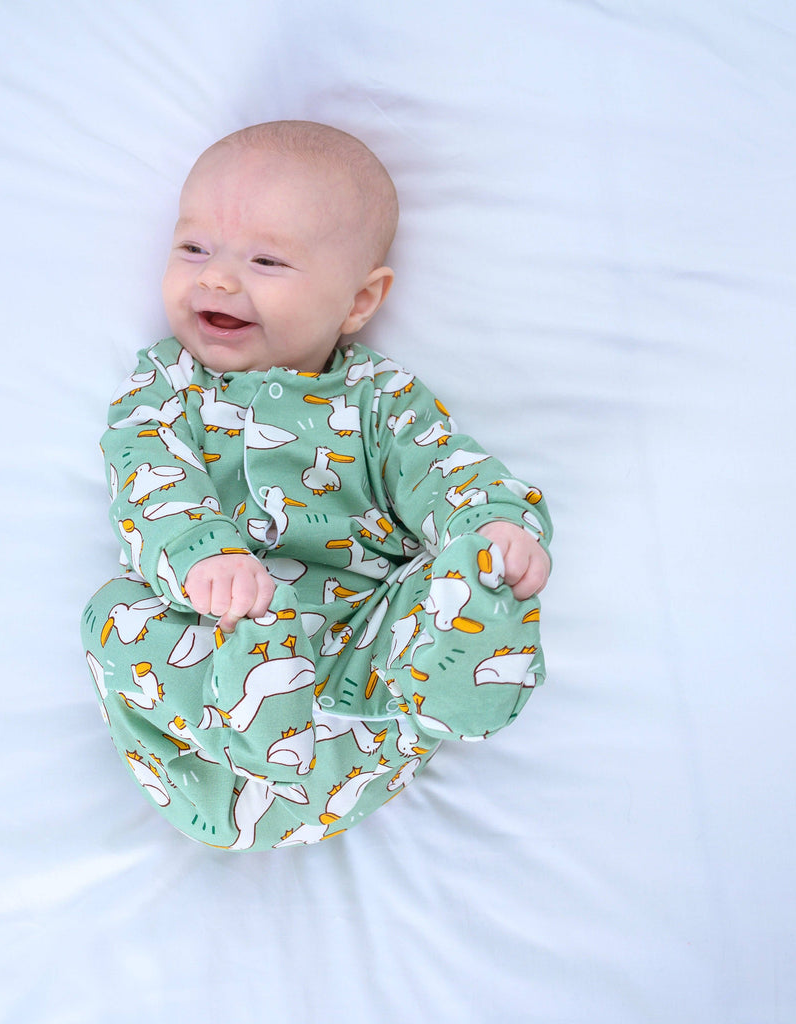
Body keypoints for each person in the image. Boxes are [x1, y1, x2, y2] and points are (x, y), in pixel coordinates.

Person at [81, 120, 551, 851]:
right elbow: (147, 475)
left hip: (356, 685)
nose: (216, 277)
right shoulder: (167, 385)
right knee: (113, 618)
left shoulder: (378, 398)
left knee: (448, 576)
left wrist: (493, 528)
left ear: (359, 302)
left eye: (266, 260)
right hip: (211, 701)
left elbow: (443, 469)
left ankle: (466, 664)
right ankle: (253, 708)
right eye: (194, 247)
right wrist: (204, 555)